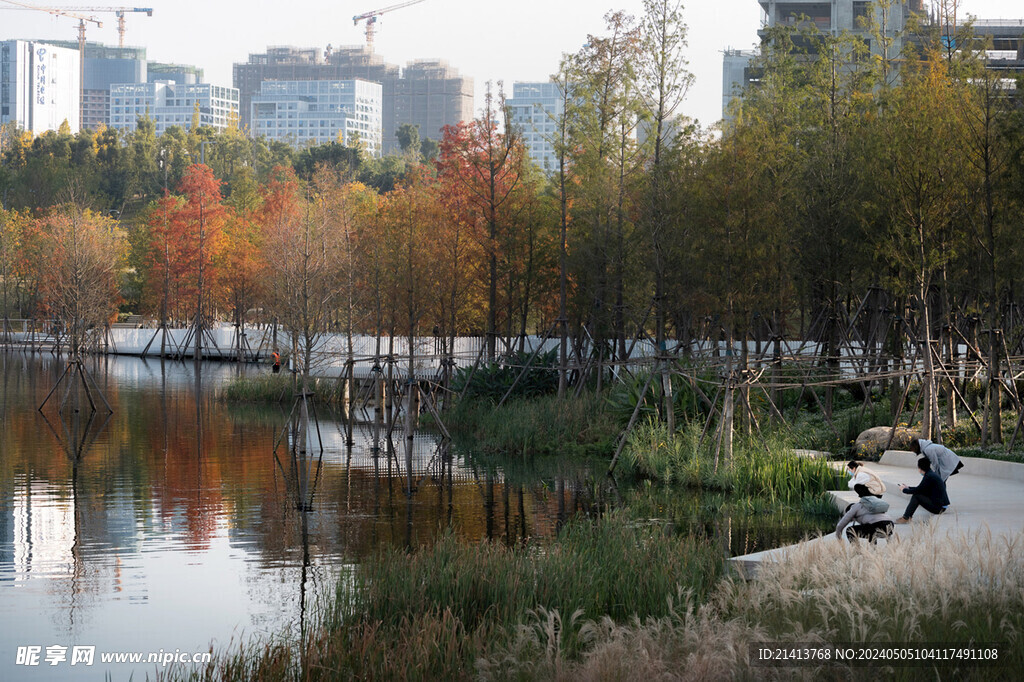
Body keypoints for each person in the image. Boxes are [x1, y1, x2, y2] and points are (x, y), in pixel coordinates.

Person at [895, 457, 949, 524]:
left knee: (916, 496)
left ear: (920, 468)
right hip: (940, 505)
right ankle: (907, 517)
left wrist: (904, 490)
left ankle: (906, 517)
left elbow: (918, 490)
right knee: (918, 494)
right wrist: (908, 487)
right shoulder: (931, 474)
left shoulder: (928, 477)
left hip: (939, 508)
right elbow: (921, 488)